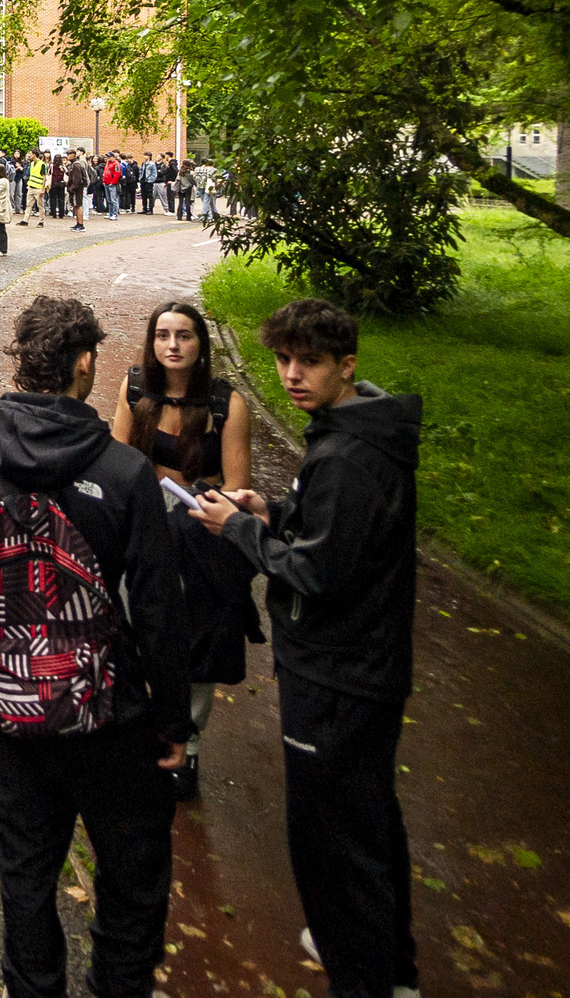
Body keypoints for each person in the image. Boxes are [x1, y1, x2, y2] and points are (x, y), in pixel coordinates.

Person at [0, 293, 192, 998]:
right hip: (107, 707)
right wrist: (173, 722)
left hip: (11, 701)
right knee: (132, 877)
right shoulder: (124, 472)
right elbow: (158, 609)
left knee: (25, 875)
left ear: (22, 358)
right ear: (85, 363)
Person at [198, 300, 424, 998]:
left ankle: (362, 973)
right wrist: (274, 512)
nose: (292, 375)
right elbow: (337, 533)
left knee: (331, 837)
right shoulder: (349, 434)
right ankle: (388, 966)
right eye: (283, 360)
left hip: (337, 674)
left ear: (346, 366)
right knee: (368, 819)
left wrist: (241, 532)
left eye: (310, 362)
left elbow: (319, 573)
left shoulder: (349, 458)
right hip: (361, 665)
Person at [114, 298, 261, 797]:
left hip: (202, 528)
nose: (172, 345)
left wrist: (200, 508)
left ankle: (188, 744)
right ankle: (139, 727)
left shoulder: (227, 405)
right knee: (134, 623)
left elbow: (237, 487)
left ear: (201, 344)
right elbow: (118, 461)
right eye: (163, 335)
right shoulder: (136, 389)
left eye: (184, 335)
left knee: (195, 639)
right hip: (145, 525)